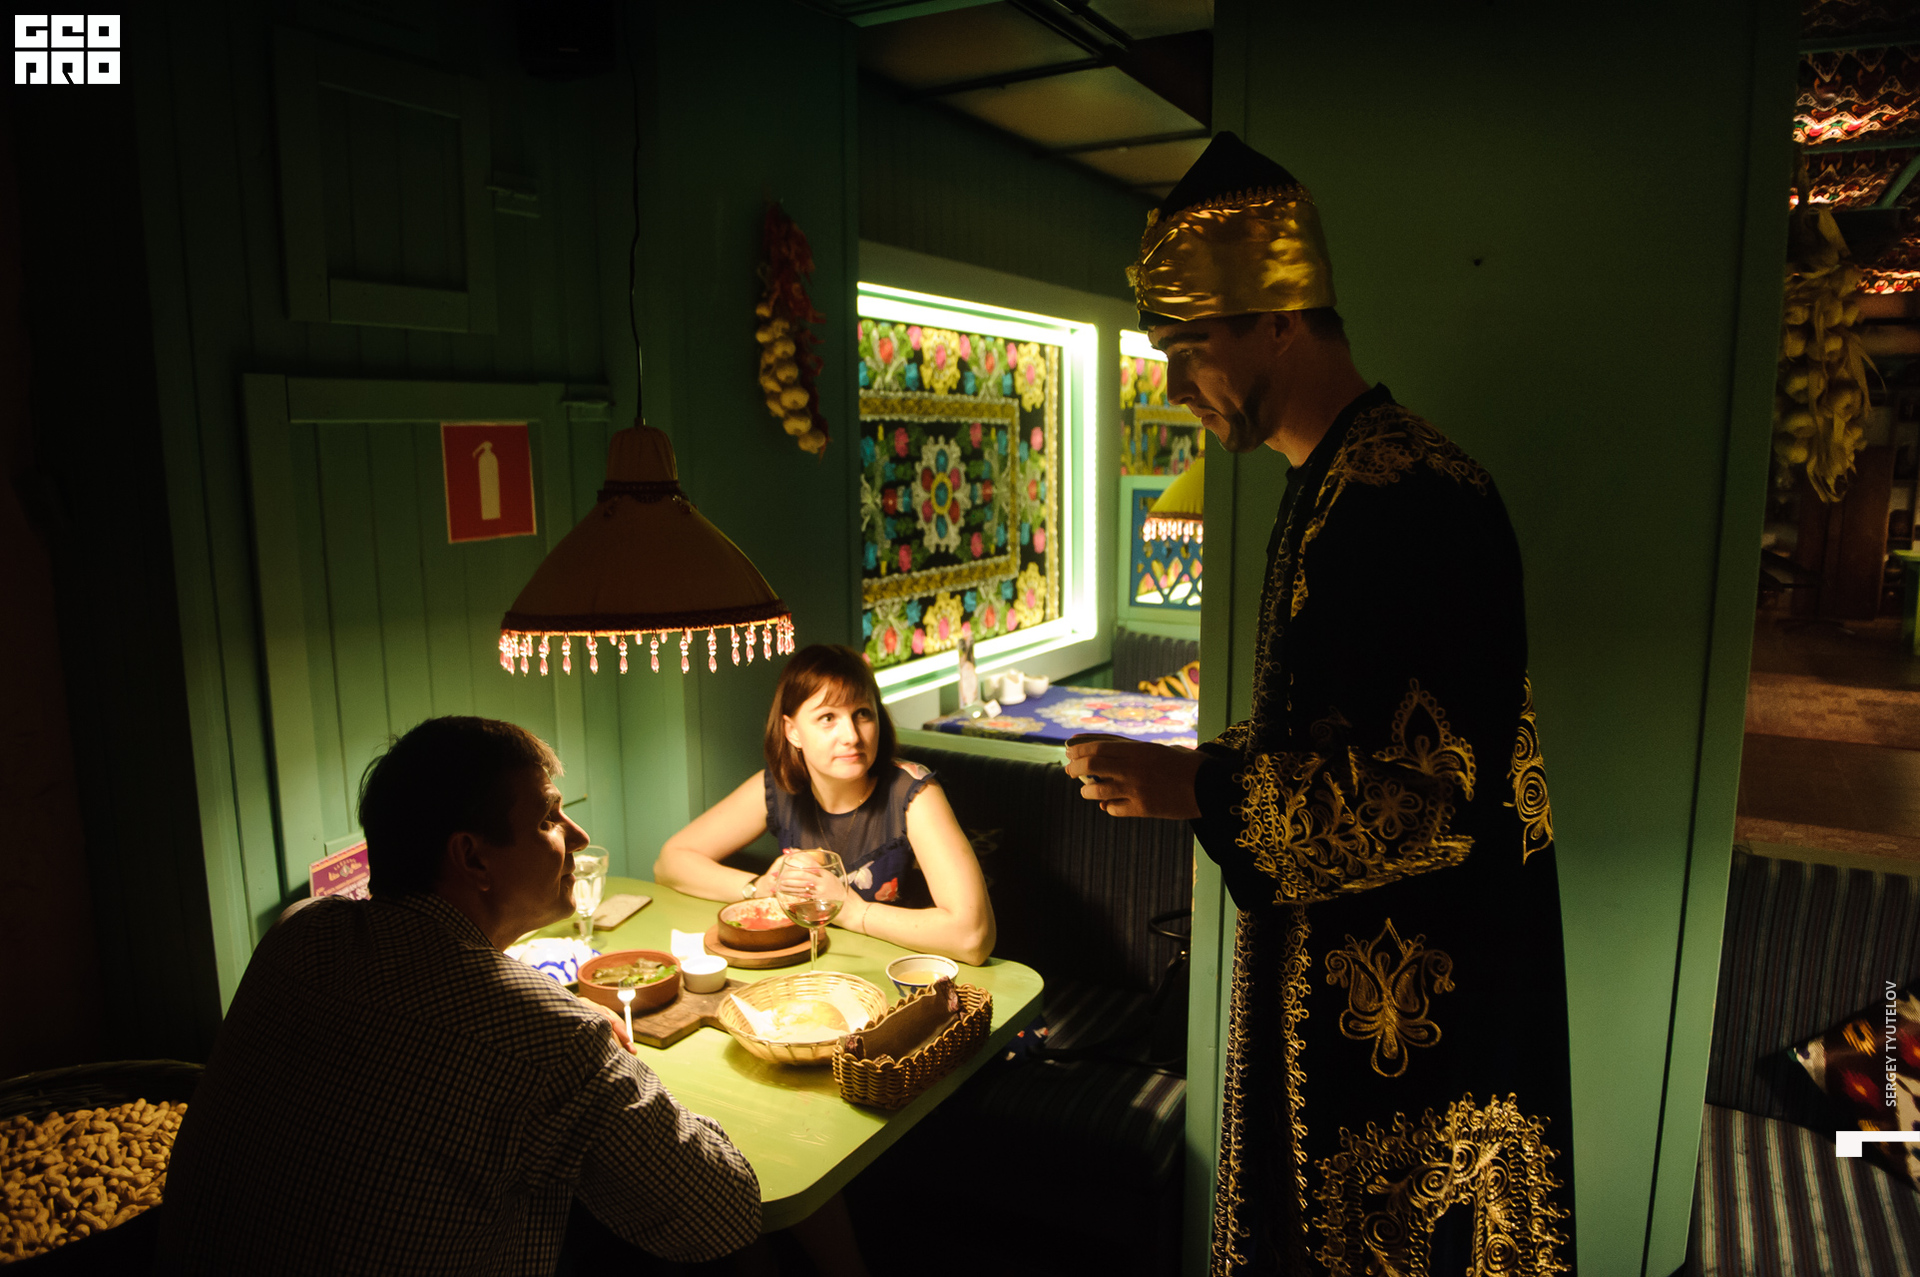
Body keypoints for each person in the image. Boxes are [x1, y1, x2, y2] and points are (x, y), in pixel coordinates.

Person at [1065, 133, 1577, 1273]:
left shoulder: (1413, 496)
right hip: (1330, 980)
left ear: (1281, 319)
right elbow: (1338, 731)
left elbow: (1429, 799)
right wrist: (1191, 767)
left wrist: (1199, 785)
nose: (1172, 386)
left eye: (1189, 347)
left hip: (1418, 1026)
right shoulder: (1331, 479)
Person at [156, 717, 760, 1275]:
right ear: (472, 857)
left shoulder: (300, 933)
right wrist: (600, 1053)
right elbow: (723, 1214)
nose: (577, 836)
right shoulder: (551, 1037)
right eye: (549, 819)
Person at [656, 644, 995, 966]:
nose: (851, 736)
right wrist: (761, 888)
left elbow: (974, 937)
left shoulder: (914, 793)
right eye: (828, 718)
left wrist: (851, 911)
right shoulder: (778, 786)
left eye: (862, 714)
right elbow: (670, 862)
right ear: (793, 732)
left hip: (905, 978)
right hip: (813, 972)